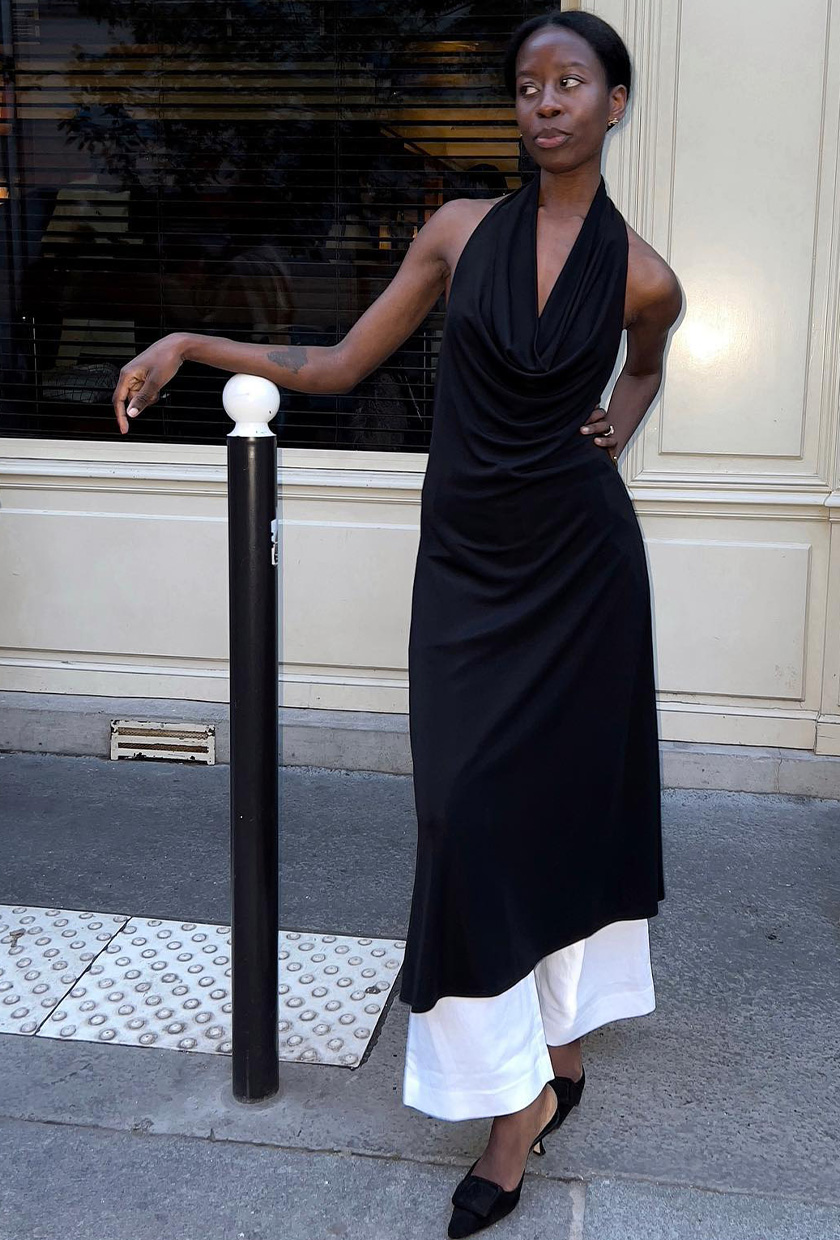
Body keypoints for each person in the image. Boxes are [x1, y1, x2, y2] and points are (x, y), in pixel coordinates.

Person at [112, 10, 682, 1236]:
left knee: (563, 816)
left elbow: (646, 360)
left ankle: (531, 1090)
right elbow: (331, 365)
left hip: (581, 575)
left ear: (613, 104)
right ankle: (527, 1070)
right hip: (470, 579)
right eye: (526, 84)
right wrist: (192, 342)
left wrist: (618, 425)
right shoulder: (456, 233)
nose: (544, 102)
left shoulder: (644, 272)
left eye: (570, 82)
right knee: (464, 814)